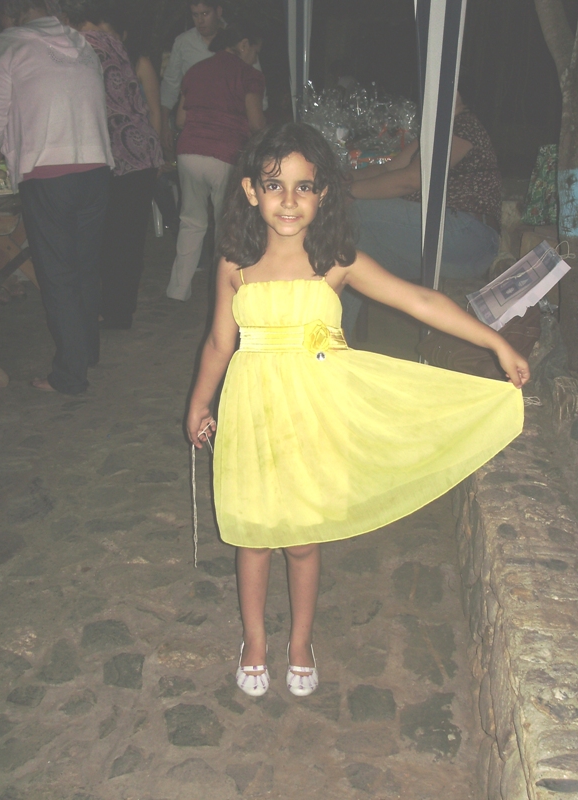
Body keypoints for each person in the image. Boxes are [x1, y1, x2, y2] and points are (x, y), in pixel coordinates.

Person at [186, 122, 529, 699]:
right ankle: (255, 642)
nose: (289, 200)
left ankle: (300, 643)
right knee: (253, 536)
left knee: (303, 538)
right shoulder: (234, 264)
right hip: (251, 414)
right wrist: (199, 402)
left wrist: (494, 341)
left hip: (313, 415)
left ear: (322, 194)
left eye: (303, 186)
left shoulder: (335, 261)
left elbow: (419, 299)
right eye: (274, 186)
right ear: (251, 191)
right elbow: (221, 341)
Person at [0, 0, 114, 394]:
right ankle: (86, 351)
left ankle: (70, 375)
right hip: (96, 167)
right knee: (85, 266)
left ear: (12, 12)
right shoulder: (82, 44)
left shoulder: (10, 43)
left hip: (47, 171)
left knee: (58, 275)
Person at [343, 92, 502, 336]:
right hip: (446, 236)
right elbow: (388, 169)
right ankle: (331, 342)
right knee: (353, 256)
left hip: (469, 236)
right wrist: (341, 179)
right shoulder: (436, 130)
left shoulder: (464, 126)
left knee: (355, 211)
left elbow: (411, 180)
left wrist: (348, 192)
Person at [62, 0, 164, 330]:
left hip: (120, 157)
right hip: (133, 157)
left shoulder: (85, 47)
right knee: (125, 239)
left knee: (114, 239)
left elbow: (150, 110)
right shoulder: (113, 49)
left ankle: (113, 310)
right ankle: (117, 310)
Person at [165, 21, 265, 302]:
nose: (255, 57)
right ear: (243, 45)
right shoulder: (249, 75)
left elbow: (181, 119)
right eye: (255, 51)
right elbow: (256, 123)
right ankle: (222, 291)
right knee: (226, 224)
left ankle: (178, 289)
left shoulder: (195, 71)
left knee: (191, 221)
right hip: (225, 154)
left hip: (189, 152)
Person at [159, 1, 225, 159]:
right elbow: (170, 85)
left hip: (228, 126)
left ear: (218, 12)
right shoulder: (184, 42)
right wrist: (165, 125)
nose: (200, 21)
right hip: (193, 126)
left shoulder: (236, 38)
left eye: (205, 14)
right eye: (195, 15)